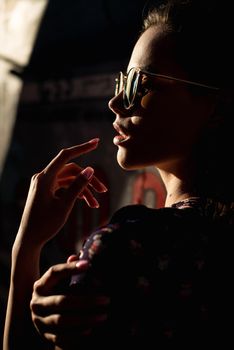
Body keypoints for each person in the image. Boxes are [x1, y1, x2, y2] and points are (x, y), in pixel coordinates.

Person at [3, 0, 234, 348]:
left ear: (216, 106)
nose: (116, 103)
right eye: (124, 82)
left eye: (144, 84)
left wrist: (28, 247)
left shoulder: (129, 247)